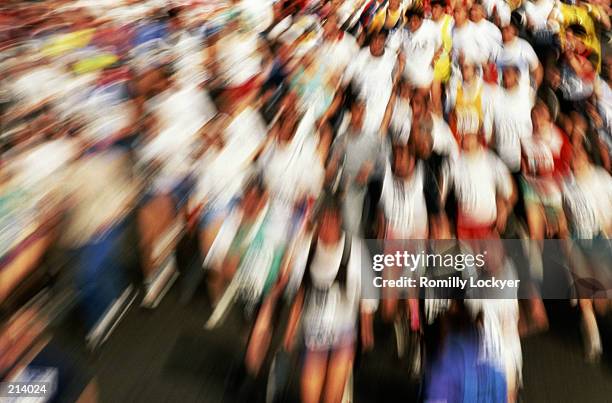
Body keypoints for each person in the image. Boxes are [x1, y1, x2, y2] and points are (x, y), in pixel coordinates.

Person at [283, 194, 377, 403]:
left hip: (343, 336)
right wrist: (290, 331)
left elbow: (367, 295)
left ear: (338, 221)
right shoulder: (307, 249)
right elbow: (299, 293)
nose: (325, 228)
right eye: (321, 222)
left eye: (330, 222)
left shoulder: (355, 250)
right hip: (313, 335)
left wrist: (366, 331)